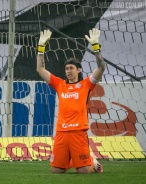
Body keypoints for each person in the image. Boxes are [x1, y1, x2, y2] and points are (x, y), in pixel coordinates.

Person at [36, 28, 105, 174]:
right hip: (61, 132)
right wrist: (41, 49)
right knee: (56, 171)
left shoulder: (87, 84)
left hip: (78, 132)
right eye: (66, 68)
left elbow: (101, 67)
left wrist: (96, 48)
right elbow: (40, 69)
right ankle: (75, 160)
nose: (68, 71)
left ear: (78, 70)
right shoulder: (60, 84)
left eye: (71, 68)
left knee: (85, 172)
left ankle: (90, 160)